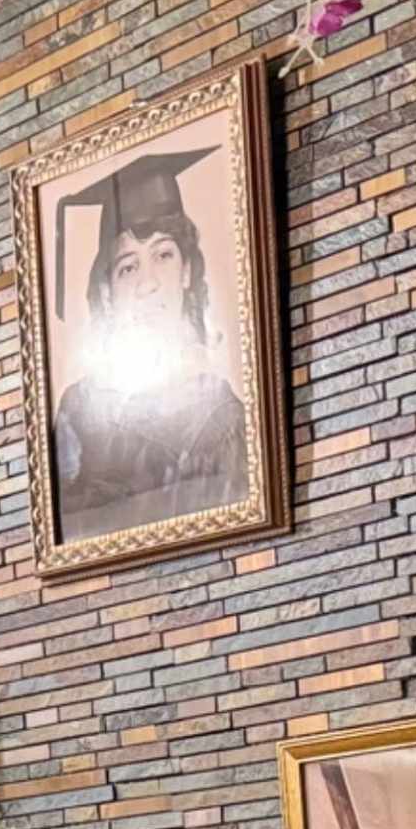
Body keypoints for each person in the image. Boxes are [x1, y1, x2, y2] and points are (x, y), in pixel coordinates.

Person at [49, 144, 252, 544]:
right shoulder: (77, 412)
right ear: (108, 293)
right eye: (128, 268)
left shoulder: (224, 418)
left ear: (187, 272)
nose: (148, 283)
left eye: (163, 255)